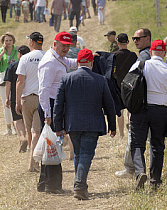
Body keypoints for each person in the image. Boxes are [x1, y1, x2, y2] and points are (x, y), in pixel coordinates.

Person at [54, 49, 117, 200]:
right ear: (91, 62)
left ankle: (80, 183)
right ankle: (80, 185)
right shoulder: (100, 79)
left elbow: (58, 104)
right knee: (86, 155)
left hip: (73, 123)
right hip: (93, 124)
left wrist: (58, 126)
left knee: (78, 154)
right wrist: (112, 126)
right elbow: (109, 105)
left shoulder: (66, 78)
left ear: (78, 62)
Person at [129, 40, 167, 189]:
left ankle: (140, 172)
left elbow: (127, 85)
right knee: (157, 146)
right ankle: (155, 181)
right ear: (165, 53)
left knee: (137, 144)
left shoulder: (140, 65)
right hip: (160, 111)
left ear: (151, 52)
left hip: (140, 109)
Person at [37, 32, 78, 194]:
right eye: (63, 45)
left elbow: (69, 62)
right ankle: (52, 186)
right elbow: (43, 90)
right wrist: (48, 114)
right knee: (52, 145)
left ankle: (44, 183)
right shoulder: (49, 62)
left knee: (51, 145)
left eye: (68, 46)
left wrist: (85, 59)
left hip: (54, 105)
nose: (66, 49)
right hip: (50, 106)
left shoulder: (57, 58)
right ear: (55, 44)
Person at [115, 28, 151, 179]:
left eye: (139, 38)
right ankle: (153, 175)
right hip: (154, 103)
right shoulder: (149, 54)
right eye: (134, 38)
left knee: (134, 138)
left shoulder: (143, 56)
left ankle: (132, 169)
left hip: (141, 103)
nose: (136, 41)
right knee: (153, 141)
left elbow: (134, 81)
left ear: (147, 38)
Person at [15, 32, 45, 171]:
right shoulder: (47, 56)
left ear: (31, 43)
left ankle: (32, 163)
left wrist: (17, 102)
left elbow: (20, 81)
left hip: (27, 98)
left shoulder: (25, 58)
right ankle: (33, 163)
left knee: (30, 131)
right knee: (36, 132)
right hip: (41, 98)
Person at [4, 45, 30, 153]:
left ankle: (22, 138)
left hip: (16, 96)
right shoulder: (32, 65)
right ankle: (29, 141)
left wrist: (7, 98)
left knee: (17, 119)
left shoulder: (13, 65)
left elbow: (8, 83)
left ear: (19, 54)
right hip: (29, 95)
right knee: (28, 119)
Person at [0, 32, 17, 135]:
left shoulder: (17, 51)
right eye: (6, 40)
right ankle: (8, 127)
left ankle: (16, 126)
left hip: (15, 80)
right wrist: (2, 52)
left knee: (14, 103)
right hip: (3, 81)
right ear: (3, 42)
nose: (8, 42)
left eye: (10, 40)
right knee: (6, 104)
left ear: (13, 41)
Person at [112, 33, 138, 138]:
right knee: (129, 109)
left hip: (118, 84)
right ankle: (130, 131)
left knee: (120, 111)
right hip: (130, 84)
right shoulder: (133, 55)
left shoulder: (114, 55)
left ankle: (121, 134)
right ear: (127, 42)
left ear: (117, 42)